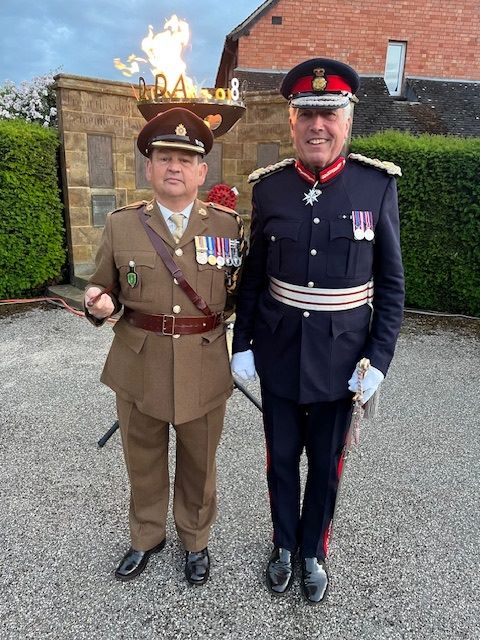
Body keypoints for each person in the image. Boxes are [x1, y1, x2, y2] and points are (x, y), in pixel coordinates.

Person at [231, 58, 404, 604]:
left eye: (328, 112)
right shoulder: (271, 189)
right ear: (291, 121)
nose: (317, 125)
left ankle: (313, 550)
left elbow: (392, 285)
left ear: (348, 119)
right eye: (306, 113)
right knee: (280, 459)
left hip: (342, 359)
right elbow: (255, 276)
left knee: (326, 468)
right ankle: (282, 544)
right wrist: (243, 345)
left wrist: (378, 361)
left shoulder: (375, 187)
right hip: (280, 353)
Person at [84, 107, 244, 586]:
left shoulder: (228, 227)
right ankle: (146, 535)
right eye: (164, 157)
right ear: (149, 168)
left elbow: (241, 294)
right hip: (140, 362)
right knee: (144, 457)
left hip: (204, 362)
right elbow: (100, 286)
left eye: (185, 158)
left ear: (201, 172)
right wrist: (99, 302)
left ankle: (195, 540)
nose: (174, 166)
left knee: (199, 461)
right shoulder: (121, 225)